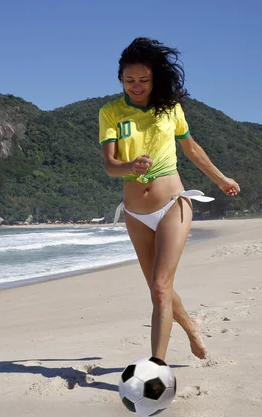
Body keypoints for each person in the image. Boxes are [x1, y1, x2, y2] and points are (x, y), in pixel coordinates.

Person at [98, 37, 240, 361]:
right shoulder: (110, 113)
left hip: (172, 205)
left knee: (161, 287)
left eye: (144, 80)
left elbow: (191, 149)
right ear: (120, 78)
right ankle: (191, 327)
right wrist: (129, 166)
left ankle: (156, 369)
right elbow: (109, 166)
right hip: (135, 213)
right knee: (157, 289)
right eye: (129, 80)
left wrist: (221, 179)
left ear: (155, 79)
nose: (136, 86)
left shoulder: (170, 109)